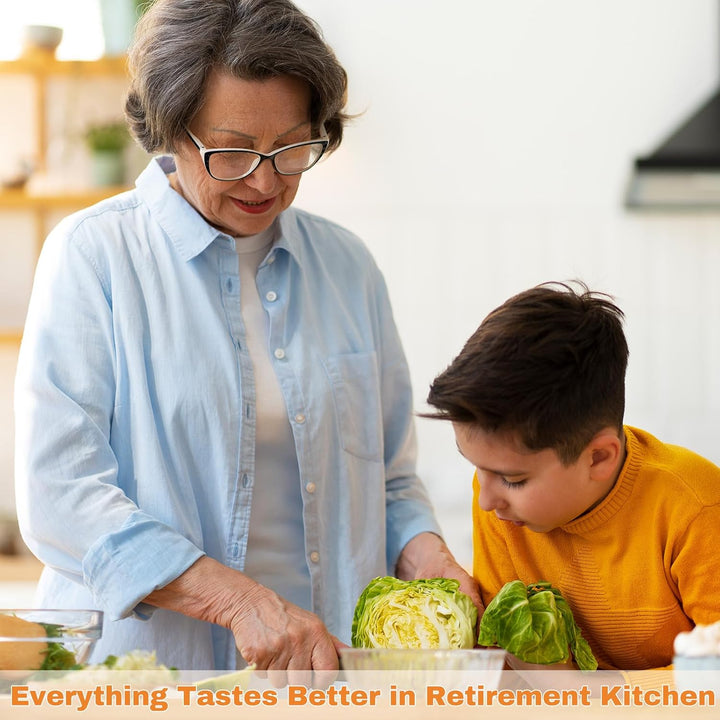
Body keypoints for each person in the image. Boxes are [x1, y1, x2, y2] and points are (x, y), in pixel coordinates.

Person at [14, 0, 479, 672]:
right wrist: (236, 601)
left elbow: (390, 479)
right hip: (159, 684)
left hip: (328, 676)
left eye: (291, 147)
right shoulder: (94, 256)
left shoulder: (347, 267)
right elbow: (62, 495)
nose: (265, 180)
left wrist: (432, 561)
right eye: (232, 152)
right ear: (170, 133)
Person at [423, 281, 720, 671]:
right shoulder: (500, 503)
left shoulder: (695, 508)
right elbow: (512, 662)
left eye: (513, 479)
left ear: (598, 458)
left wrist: (598, 696)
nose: (485, 499)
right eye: (477, 468)